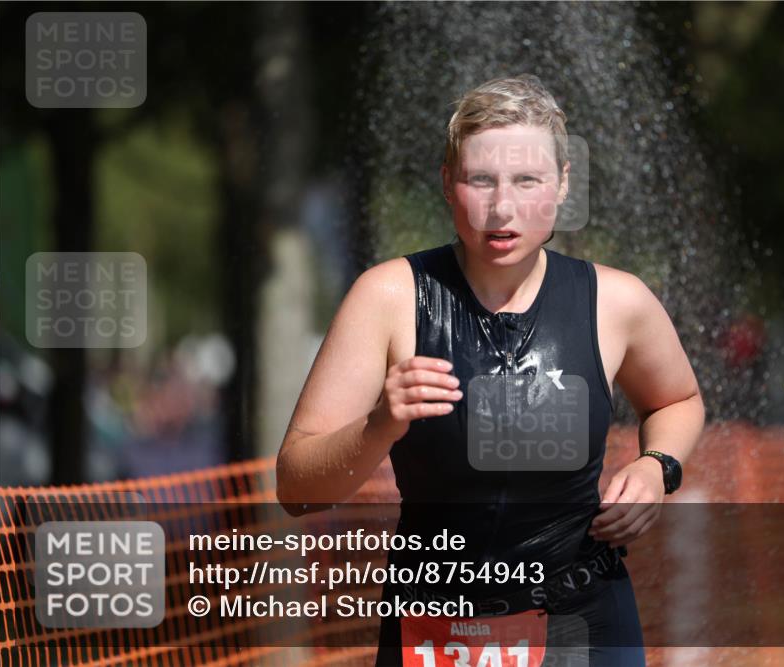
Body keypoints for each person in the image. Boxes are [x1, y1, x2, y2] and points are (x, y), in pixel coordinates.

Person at [276, 74, 705, 666]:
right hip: (436, 624)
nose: (502, 207)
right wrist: (381, 423)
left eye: (526, 180)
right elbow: (297, 488)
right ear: (448, 184)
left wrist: (658, 467)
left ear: (562, 185)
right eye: (481, 180)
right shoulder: (388, 298)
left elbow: (677, 400)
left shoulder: (617, 302)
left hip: (581, 617)